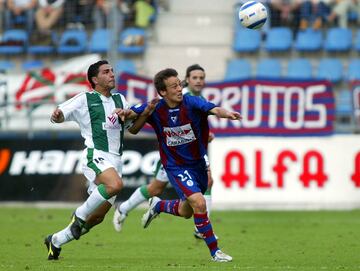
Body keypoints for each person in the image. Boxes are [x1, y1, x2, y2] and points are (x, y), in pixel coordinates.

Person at [130, 68, 241, 262]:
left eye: (179, 84)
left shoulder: (192, 102)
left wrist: (227, 114)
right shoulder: (155, 107)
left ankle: (158, 206)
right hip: (176, 166)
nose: (180, 89)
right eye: (174, 86)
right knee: (199, 202)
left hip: (197, 163)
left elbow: (214, 109)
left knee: (185, 211)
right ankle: (216, 252)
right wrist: (125, 112)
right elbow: (132, 118)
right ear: (163, 92)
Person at [44, 60, 140, 260]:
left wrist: (145, 112)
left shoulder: (121, 100)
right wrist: (57, 115)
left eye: (112, 70)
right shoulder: (85, 98)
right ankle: (78, 214)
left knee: (96, 218)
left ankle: (56, 240)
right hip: (96, 154)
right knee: (115, 185)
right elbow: (59, 115)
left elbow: (133, 127)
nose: (112, 74)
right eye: (106, 72)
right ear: (95, 79)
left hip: (117, 160)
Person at [113, 64, 216, 240]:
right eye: (195, 78)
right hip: (175, 156)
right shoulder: (181, 97)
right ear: (187, 80)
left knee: (207, 182)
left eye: (202, 78)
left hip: (192, 154)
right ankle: (124, 208)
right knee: (156, 188)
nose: (199, 81)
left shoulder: (198, 98)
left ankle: (199, 224)